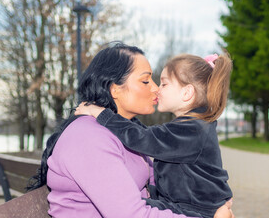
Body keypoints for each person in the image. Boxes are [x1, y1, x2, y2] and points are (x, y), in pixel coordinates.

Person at [27, 42, 233, 218]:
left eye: (159, 82)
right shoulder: (87, 138)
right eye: (146, 81)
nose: (155, 88)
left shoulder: (126, 134)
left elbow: (159, 181)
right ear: (115, 88)